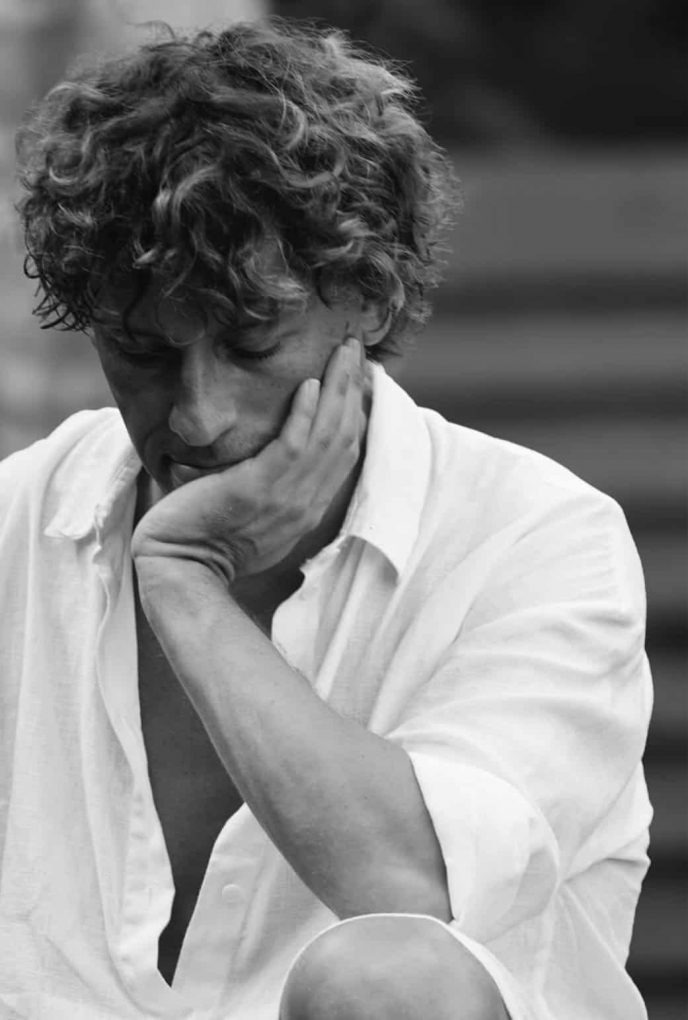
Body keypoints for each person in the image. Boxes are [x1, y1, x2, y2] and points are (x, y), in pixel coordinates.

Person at [0, 16, 652, 1020]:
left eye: (252, 345)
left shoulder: (538, 540)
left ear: (371, 302)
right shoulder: (19, 521)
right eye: (142, 352)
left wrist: (181, 580)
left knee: (385, 978)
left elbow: (408, 887)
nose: (199, 418)